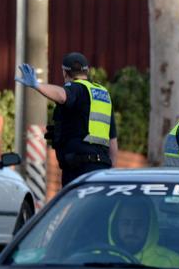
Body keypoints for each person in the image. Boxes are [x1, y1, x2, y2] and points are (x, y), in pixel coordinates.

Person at [16, 52, 118, 187]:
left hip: (79, 169)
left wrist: (37, 85)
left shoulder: (76, 88)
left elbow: (62, 95)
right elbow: (113, 141)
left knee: (75, 207)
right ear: (86, 71)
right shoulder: (103, 94)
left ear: (64, 72)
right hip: (101, 169)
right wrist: (111, 171)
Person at [106, 199, 179, 269]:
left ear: (150, 226)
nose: (131, 230)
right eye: (126, 223)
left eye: (139, 224)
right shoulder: (98, 258)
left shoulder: (173, 262)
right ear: (115, 226)